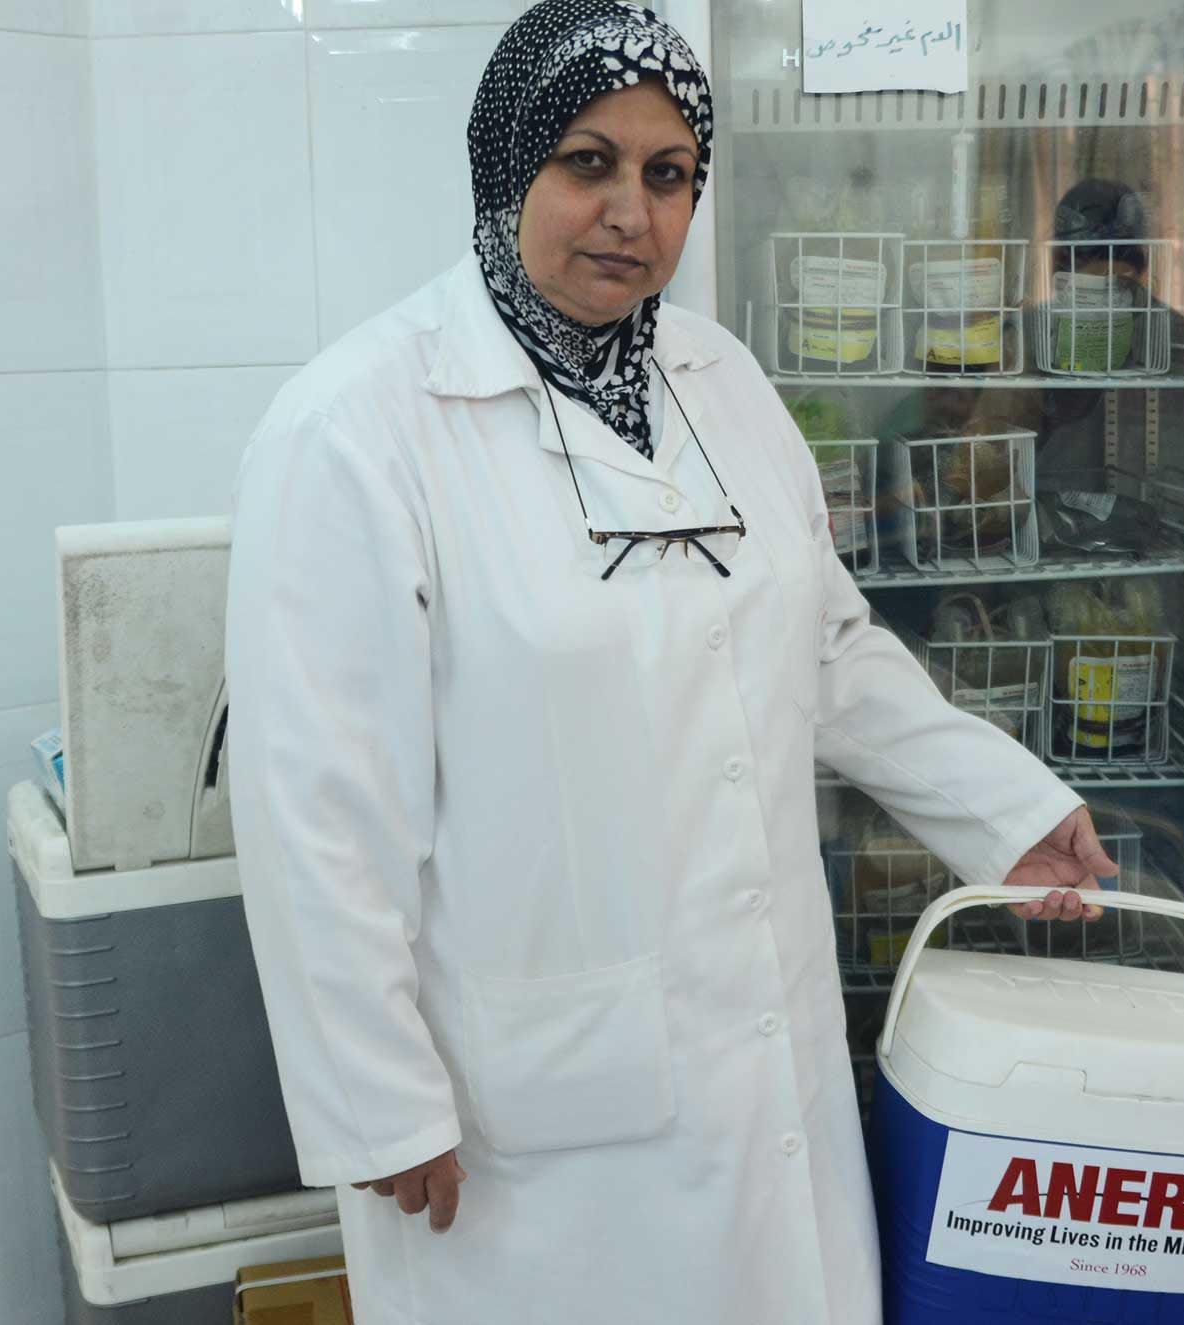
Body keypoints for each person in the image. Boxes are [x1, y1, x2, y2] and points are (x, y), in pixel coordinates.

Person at [224, 3, 1115, 1321]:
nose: (630, 212)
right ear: (507, 163)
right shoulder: (358, 430)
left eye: (668, 174)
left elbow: (830, 650)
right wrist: (378, 1100)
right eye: (588, 162)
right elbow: (316, 810)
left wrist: (1006, 810)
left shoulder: (724, 383)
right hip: (521, 1111)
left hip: (762, 1057)